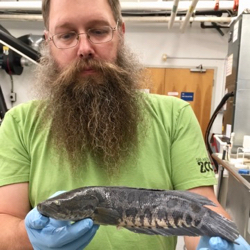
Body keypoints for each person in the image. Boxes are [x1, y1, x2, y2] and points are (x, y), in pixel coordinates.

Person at [0, 0, 249, 249]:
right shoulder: (19, 124)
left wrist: (217, 242)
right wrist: (28, 236)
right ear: (49, 42)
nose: (84, 48)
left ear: (120, 33)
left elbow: (201, 207)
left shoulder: (175, 115)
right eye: (66, 35)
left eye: (98, 31)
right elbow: (4, 222)